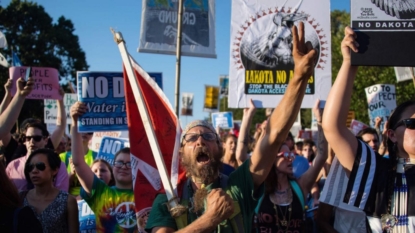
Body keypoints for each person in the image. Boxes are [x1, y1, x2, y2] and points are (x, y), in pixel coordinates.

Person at [145, 21, 318, 233]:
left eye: (208, 136)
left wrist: (299, 76)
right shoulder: (167, 199)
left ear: (219, 147)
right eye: (191, 138)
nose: (200, 140)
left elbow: (273, 136)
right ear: (181, 153)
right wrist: (209, 219)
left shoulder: (238, 185)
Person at [322, 26, 415, 231]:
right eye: (412, 124)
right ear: (391, 135)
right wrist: (350, 63)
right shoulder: (377, 173)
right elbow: (333, 126)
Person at [254, 99, 328, 232]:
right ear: (272, 158)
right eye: (286, 155)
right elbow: (247, 156)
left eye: (291, 156)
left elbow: (322, 155)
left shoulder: (300, 186)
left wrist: (320, 118)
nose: (291, 160)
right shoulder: (258, 187)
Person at [70, 102, 137, 232]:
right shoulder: (101, 192)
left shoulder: (146, 195)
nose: (124, 166)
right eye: (119, 162)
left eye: (129, 163)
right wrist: (75, 122)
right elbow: (78, 163)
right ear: (113, 168)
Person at [22, 148, 78, 233]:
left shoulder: (68, 201)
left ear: (55, 170)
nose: (34, 171)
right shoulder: (20, 198)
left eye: (40, 166)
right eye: (30, 167)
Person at [6, 122, 69, 191]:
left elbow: (61, 195)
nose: (32, 141)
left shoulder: (58, 165)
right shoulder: (13, 166)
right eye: (28, 138)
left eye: (37, 138)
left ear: (46, 140)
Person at [77, 159, 115, 233]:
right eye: (94, 171)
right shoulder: (78, 200)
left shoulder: (119, 198)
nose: (99, 174)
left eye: (103, 170)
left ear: (111, 176)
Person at [60, 131, 96, 197]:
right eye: (80, 130)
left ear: (92, 135)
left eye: (89, 131)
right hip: (68, 200)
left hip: (89, 200)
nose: (85, 133)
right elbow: (59, 187)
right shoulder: (63, 157)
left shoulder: (96, 156)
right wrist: (71, 173)